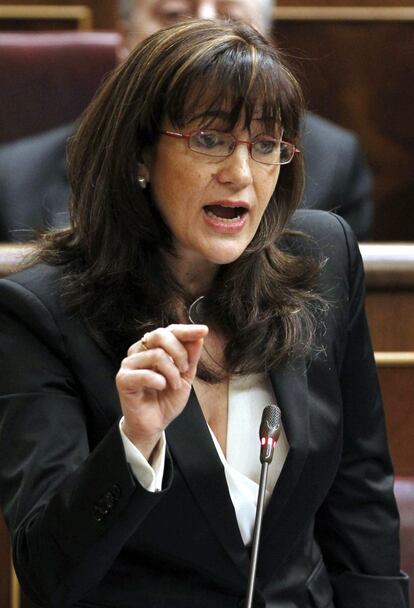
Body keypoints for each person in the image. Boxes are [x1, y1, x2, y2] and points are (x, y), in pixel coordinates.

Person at [0, 19, 408, 608]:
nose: (241, 174)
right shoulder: (44, 314)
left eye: (265, 146)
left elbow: (360, 503)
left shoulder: (321, 261)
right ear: (140, 154)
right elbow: (48, 571)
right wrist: (134, 444)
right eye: (210, 139)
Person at [0, 0, 373, 243]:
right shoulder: (15, 177)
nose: (206, 31)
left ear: (266, 47)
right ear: (124, 40)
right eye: (175, 14)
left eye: (231, 17)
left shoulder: (334, 163)